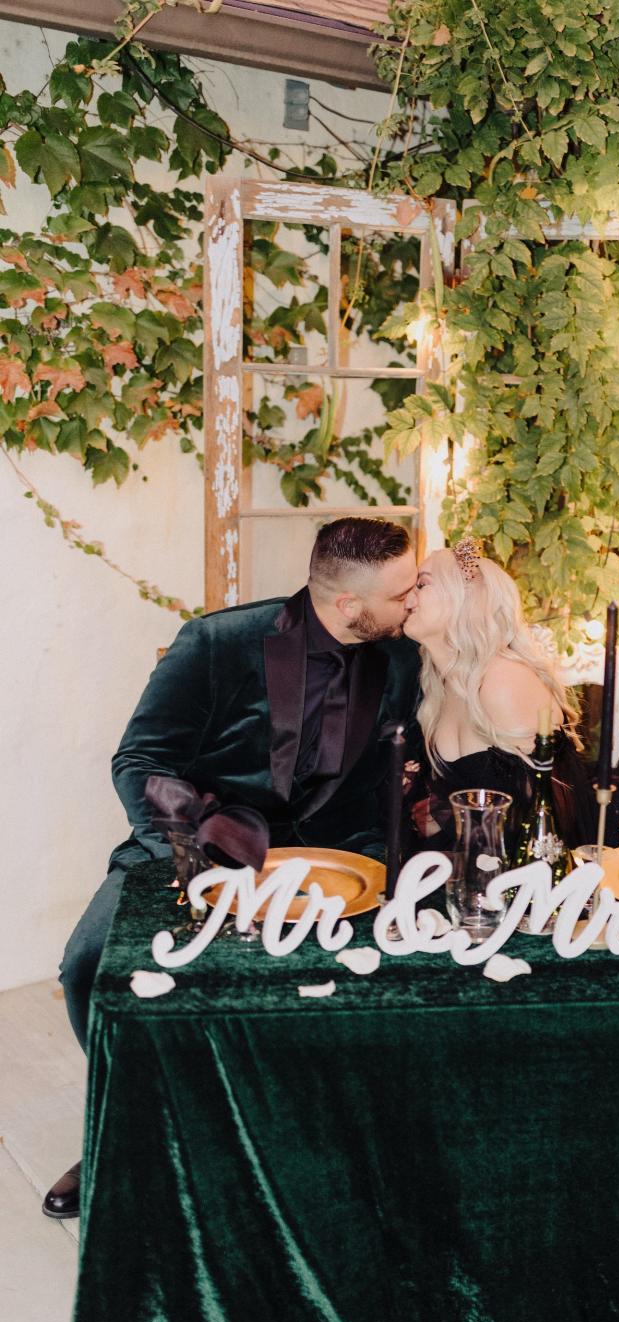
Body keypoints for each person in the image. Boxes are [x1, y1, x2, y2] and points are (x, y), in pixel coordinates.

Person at [43, 517, 421, 1220]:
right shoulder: (216, 642)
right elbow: (140, 762)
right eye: (403, 593)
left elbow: (390, 777)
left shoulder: (399, 658)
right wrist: (198, 853)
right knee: (89, 964)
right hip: (196, 845)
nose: (414, 603)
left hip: (332, 865)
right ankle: (121, 1124)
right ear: (349, 605)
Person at [401, 539, 595, 853]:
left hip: (533, 870)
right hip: (480, 860)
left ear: (463, 598)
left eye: (422, 584)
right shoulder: (440, 684)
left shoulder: (502, 679)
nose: (408, 597)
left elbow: (553, 811)